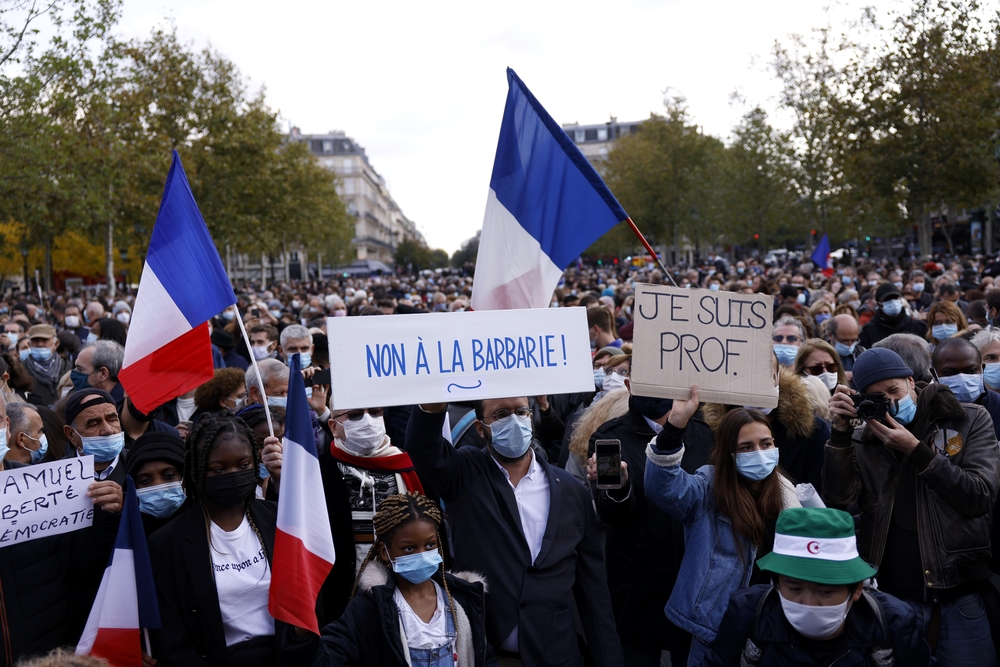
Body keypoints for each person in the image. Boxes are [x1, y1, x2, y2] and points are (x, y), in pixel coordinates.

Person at [406, 398, 624, 667]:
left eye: (521, 411)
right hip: (488, 655)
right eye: (501, 414)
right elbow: (423, 448)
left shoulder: (571, 491)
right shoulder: (464, 473)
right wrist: (433, 405)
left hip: (557, 655)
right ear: (480, 428)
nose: (514, 420)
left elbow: (593, 593)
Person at [825, 347, 1000, 666]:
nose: (890, 401)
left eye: (894, 390)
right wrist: (839, 434)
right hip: (892, 597)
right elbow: (840, 501)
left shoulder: (968, 418)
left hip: (958, 594)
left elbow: (980, 496)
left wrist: (919, 452)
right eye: (877, 397)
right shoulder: (865, 439)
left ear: (911, 381)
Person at [642, 397, 801, 665]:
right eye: (746, 447)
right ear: (729, 452)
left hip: (774, 628)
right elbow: (663, 487)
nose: (759, 453)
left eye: (766, 444)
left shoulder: (788, 495)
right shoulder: (708, 488)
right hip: (715, 631)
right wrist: (674, 426)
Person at [281, 493, 490, 667]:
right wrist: (302, 633)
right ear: (384, 551)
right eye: (409, 548)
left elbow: (483, 656)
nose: (422, 554)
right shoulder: (368, 609)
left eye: (429, 545)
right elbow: (325, 660)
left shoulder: (462, 598)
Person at [586, 386, 714, 667]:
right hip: (636, 589)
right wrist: (618, 485)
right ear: (630, 384)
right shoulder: (609, 436)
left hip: (691, 580)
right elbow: (611, 514)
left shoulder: (704, 434)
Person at [706, 508, 932, 666]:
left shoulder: (893, 624)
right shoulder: (747, 614)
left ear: (856, 591)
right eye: (794, 589)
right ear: (775, 585)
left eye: (825, 591)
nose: (809, 603)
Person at [149, 412, 283, 665]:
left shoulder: (279, 520)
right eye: (219, 469)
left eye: (243, 465)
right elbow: (172, 641)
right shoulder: (167, 543)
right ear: (197, 470)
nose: (233, 474)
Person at [127, 431, 189, 536]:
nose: (158, 485)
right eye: (145, 481)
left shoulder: (209, 525)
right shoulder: (124, 532)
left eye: (168, 476)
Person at [858, 283, 928, 348]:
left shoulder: (917, 326)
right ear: (879, 304)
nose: (893, 302)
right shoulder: (868, 330)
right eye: (887, 299)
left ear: (901, 300)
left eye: (895, 298)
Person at [23, 324, 70, 406]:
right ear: (29, 344)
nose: (40, 344)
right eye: (35, 340)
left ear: (56, 344)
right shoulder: (21, 369)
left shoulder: (67, 367)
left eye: (45, 340)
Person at [826, 313, 865, 383]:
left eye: (853, 341)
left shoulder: (862, 353)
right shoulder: (819, 356)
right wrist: (839, 377)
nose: (850, 345)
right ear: (830, 335)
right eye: (845, 341)